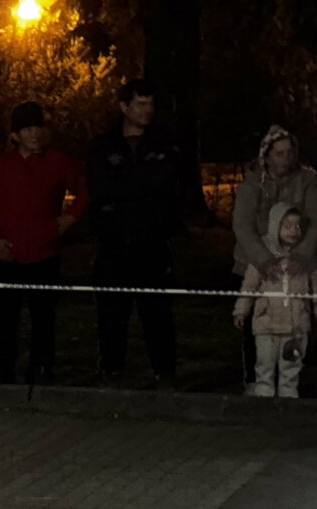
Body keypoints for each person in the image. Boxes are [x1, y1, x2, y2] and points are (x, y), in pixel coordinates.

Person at [0, 101, 89, 383]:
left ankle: (42, 369)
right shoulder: (1, 167)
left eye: (38, 127)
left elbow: (85, 188)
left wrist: (71, 218)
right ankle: (2, 371)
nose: (35, 134)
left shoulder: (58, 162)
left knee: (44, 318)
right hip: (8, 255)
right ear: (15, 135)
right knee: (5, 318)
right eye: (27, 129)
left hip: (45, 253)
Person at [86, 78, 183, 387]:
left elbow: (167, 186)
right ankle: (112, 371)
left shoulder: (164, 144)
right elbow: (99, 189)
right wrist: (137, 186)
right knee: (112, 314)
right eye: (141, 104)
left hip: (152, 244)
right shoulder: (104, 146)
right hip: (114, 244)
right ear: (124, 107)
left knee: (157, 314)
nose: (147, 110)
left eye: (150, 104)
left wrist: (129, 186)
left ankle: (165, 374)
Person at [231, 125, 317, 387]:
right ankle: (256, 383)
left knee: (297, 324)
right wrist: (264, 260)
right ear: (267, 155)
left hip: (295, 269)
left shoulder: (306, 181)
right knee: (256, 329)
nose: (286, 159)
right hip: (253, 265)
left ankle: (290, 382)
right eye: (279, 153)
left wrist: (302, 255)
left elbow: (315, 220)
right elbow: (242, 225)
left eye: (289, 152)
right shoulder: (252, 184)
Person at [231, 203, 317, 398]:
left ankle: (288, 395)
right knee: (264, 362)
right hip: (266, 322)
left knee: (292, 364)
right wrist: (241, 310)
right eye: (287, 226)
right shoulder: (263, 258)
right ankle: (264, 393)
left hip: (296, 323)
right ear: (275, 226)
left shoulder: (306, 258)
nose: (293, 231)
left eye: (297, 226)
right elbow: (249, 285)